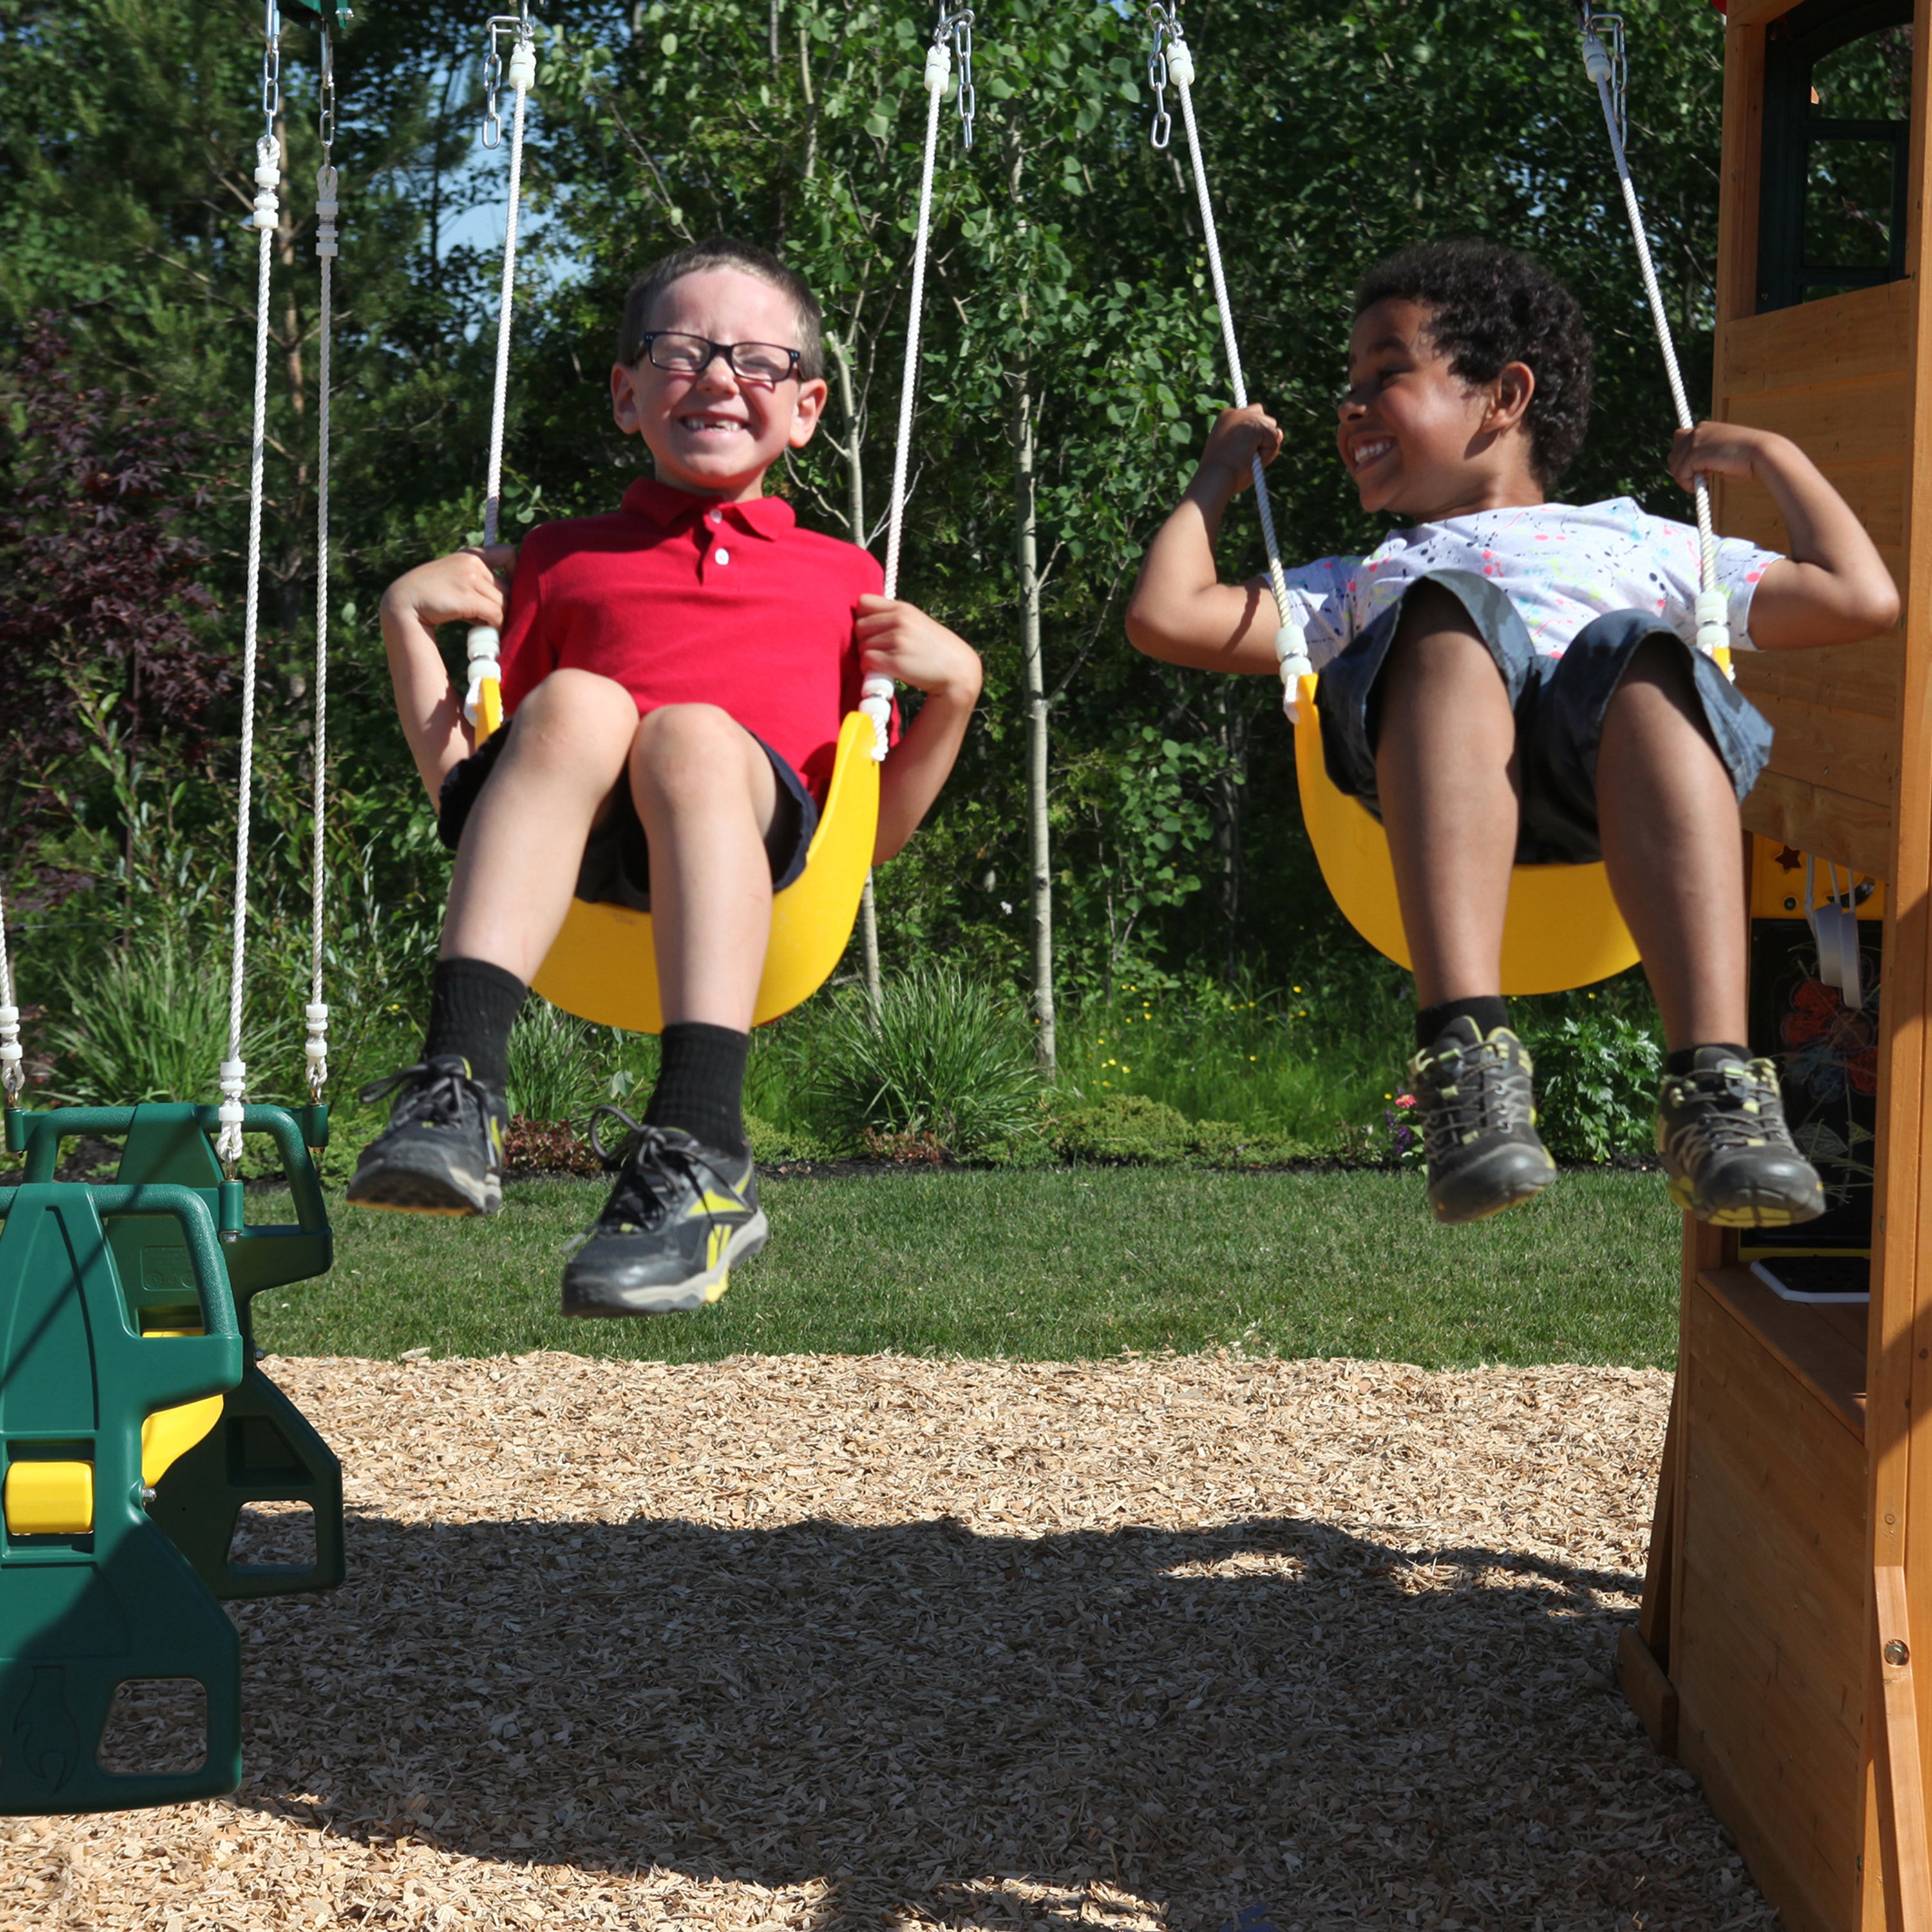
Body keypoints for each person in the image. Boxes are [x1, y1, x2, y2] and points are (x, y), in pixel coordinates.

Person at [1125, 240, 1899, 1227]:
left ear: (1504, 395)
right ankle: (1466, 1060)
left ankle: (1715, 1086)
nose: (1349, 405)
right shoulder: (1360, 582)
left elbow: (1860, 598)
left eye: (1387, 373)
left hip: (1611, 798)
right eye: (1349, 384)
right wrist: (1216, 480)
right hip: (1428, 781)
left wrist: (1775, 461)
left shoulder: (1643, 542)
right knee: (1447, 615)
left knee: (1642, 654)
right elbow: (1167, 614)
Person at [348, 236, 983, 1312]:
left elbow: (863, 839)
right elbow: (476, 802)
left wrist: (956, 692)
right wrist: (406, 617)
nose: (721, 377)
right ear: (626, 393)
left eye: (758, 361)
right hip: (586, 878)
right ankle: (458, 1086)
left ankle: (700, 1148)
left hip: (759, 871)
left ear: (808, 407)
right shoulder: (559, 557)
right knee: (585, 703)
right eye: (682, 351)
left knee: (689, 733)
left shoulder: (845, 579)